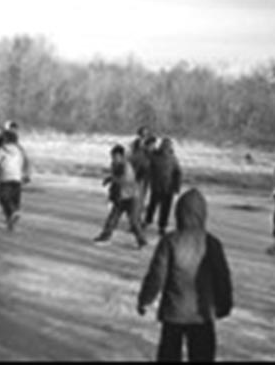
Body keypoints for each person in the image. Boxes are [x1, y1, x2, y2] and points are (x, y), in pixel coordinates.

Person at [137, 188, 233, 362]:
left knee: (169, 355)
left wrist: (145, 298)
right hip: (202, 314)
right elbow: (222, 277)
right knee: (203, 356)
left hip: (174, 313)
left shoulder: (170, 241)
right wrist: (224, 303)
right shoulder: (211, 243)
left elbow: (157, 275)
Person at [93, 144, 148, 249]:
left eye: (116, 157)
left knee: (133, 221)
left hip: (132, 197)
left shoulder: (127, 166)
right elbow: (115, 177)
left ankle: (142, 241)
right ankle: (105, 237)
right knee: (112, 218)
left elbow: (126, 180)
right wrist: (109, 179)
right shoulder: (114, 164)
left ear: (122, 156)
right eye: (112, 156)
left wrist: (112, 179)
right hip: (120, 197)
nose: (114, 159)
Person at [0, 130, 31, 232]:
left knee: (3, 197)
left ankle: (12, 213)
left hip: (5, 177)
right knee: (14, 198)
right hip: (16, 178)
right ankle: (11, 221)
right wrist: (25, 175)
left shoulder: (2, 149)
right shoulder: (20, 150)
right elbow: (25, 162)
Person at [145, 137, 182, 236]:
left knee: (165, 208)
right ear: (161, 146)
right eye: (164, 145)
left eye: (167, 146)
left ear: (170, 148)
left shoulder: (173, 159)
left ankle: (162, 226)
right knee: (152, 205)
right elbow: (148, 167)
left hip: (168, 188)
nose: (165, 148)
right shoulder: (154, 156)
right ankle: (147, 221)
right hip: (156, 186)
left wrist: (177, 186)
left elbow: (178, 173)